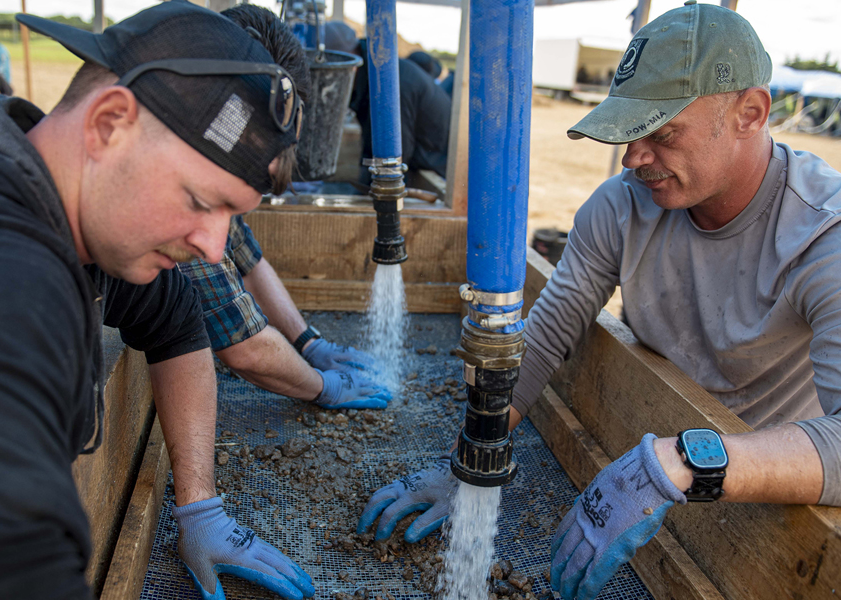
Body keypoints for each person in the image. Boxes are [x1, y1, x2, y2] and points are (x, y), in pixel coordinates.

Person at [357, 4, 841, 600]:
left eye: (660, 133)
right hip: (641, 467)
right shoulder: (622, 207)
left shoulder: (824, 239)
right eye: (629, 133)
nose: (633, 159)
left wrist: (681, 464)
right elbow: (547, 333)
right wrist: (468, 464)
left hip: (764, 516)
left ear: (750, 113)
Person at [0, 4, 316, 599]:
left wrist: (199, 509)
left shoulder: (58, 204)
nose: (215, 250)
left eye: (231, 217)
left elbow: (174, 321)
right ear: (108, 124)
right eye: (199, 200)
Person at [178, 4, 391, 412]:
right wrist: (322, 386)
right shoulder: (188, 181)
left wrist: (307, 342)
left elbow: (247, 259)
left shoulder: (214, 154)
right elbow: (243, 345)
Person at [323, 21, 451, 183]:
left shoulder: (389, 84)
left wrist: (365, 191)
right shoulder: (370, 78)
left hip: (434, 170)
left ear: (350, 57)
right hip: (419, 160)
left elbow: (396, 157)